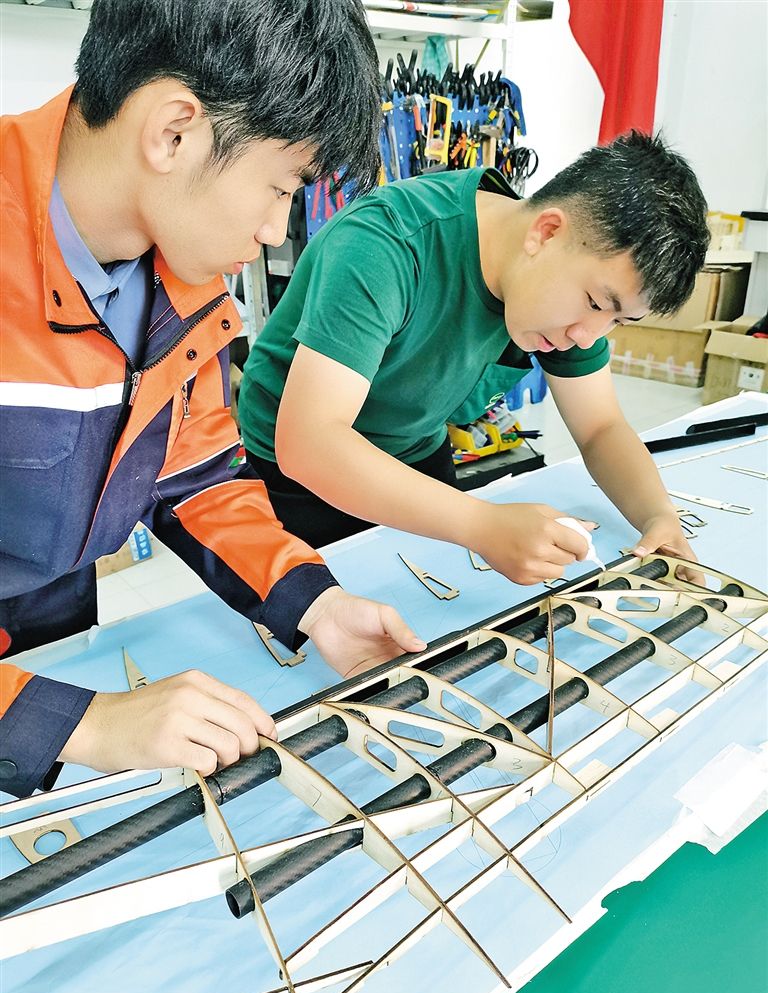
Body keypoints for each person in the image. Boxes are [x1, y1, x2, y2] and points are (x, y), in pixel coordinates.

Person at [0, 0, 427, 800]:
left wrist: (314, 605)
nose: (275, 231)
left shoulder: (181, 276)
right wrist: (82, 726)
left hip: (49, 634)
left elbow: (195, 478)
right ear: (174, 132)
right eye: (279, 187)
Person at [239, 131, 708, 583]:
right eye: (596, 303)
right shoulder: (386, 243)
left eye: (619, 320)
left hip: (413, 451)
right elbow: (310, 443)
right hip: (292, 472)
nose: (588, 338)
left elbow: (600, 427)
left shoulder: (562, 292)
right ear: (546, 232)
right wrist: (483, 525)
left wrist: (658, 516)